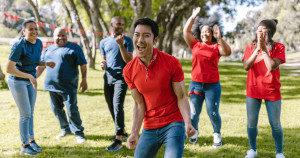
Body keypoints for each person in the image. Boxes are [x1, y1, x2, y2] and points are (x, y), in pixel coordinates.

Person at [124, 17, 195, 158]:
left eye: (146, 35)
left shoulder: (171, 63)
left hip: (174, 123)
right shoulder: (129, 70)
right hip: (150, 126)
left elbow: (181, 96)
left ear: (155, 40)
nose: (140, 40)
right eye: (137, 35)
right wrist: (134, 132)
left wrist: (188, 122)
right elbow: (139, 103)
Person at [183, 7, 231, 147]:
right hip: (196, 85)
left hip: (212, 86)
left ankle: (217, 134)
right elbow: (186, 31)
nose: (205, 34)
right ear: (199, 33)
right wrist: (193, 16)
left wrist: (220, 38)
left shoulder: (216, 47)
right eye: (203, 32)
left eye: (208, 32)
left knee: (213, 112)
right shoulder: (195, 45)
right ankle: (194, 132)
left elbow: (227, 52)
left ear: (212, 33)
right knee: (193, 113)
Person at [6, 19, 55, 155]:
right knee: (25, 114)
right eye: (30, 29)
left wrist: (45, 63)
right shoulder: (19, 45)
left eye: (35, 29)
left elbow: (31, 61)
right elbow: (9, 68)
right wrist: (30, 77)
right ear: (24, 31)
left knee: (30, 113)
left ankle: (32, 141)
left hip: (30, 80)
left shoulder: (39, 43)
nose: (34, 32)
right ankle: (25, 146)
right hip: (17, 81)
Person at [36, 27, 88, 144]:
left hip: (69, 86)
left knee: (72, 109)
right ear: (53, 37)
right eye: (58, 36)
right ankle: (65, 129)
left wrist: (84, 80)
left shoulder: (74, 48)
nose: (61, 38)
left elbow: (83, 65)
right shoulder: (48, 50)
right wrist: (33, 78)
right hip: (51, 86)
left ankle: (79, 133)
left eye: (63, 35)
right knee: (56, 109)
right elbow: (41, 67)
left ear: (66, 36)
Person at [243, 19, 285, 158]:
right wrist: (257, 49)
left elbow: (271, 66)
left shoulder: (279, 47)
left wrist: (264, 49)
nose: (259, 31)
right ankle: (252, 149)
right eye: (258, 28)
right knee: (251, 123)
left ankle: (279, 152)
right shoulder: (250, 46)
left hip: (272, 91)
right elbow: (246, 66)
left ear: (270, 32)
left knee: (275, 124)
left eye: (263, 29)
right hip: (253, 90)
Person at [99, 16, 133, 151]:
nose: (121, 26)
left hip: (122, 77)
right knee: (111, 106)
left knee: (117, 105)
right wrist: (103, 64)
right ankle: (123, 131)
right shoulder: (103, 42)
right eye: (118, 24)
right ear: (111, 24)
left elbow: (129, 60)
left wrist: (121, 45)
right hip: (108, 77)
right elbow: (104, 60)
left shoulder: (128, 40)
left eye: (122, 24)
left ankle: (118, 139)